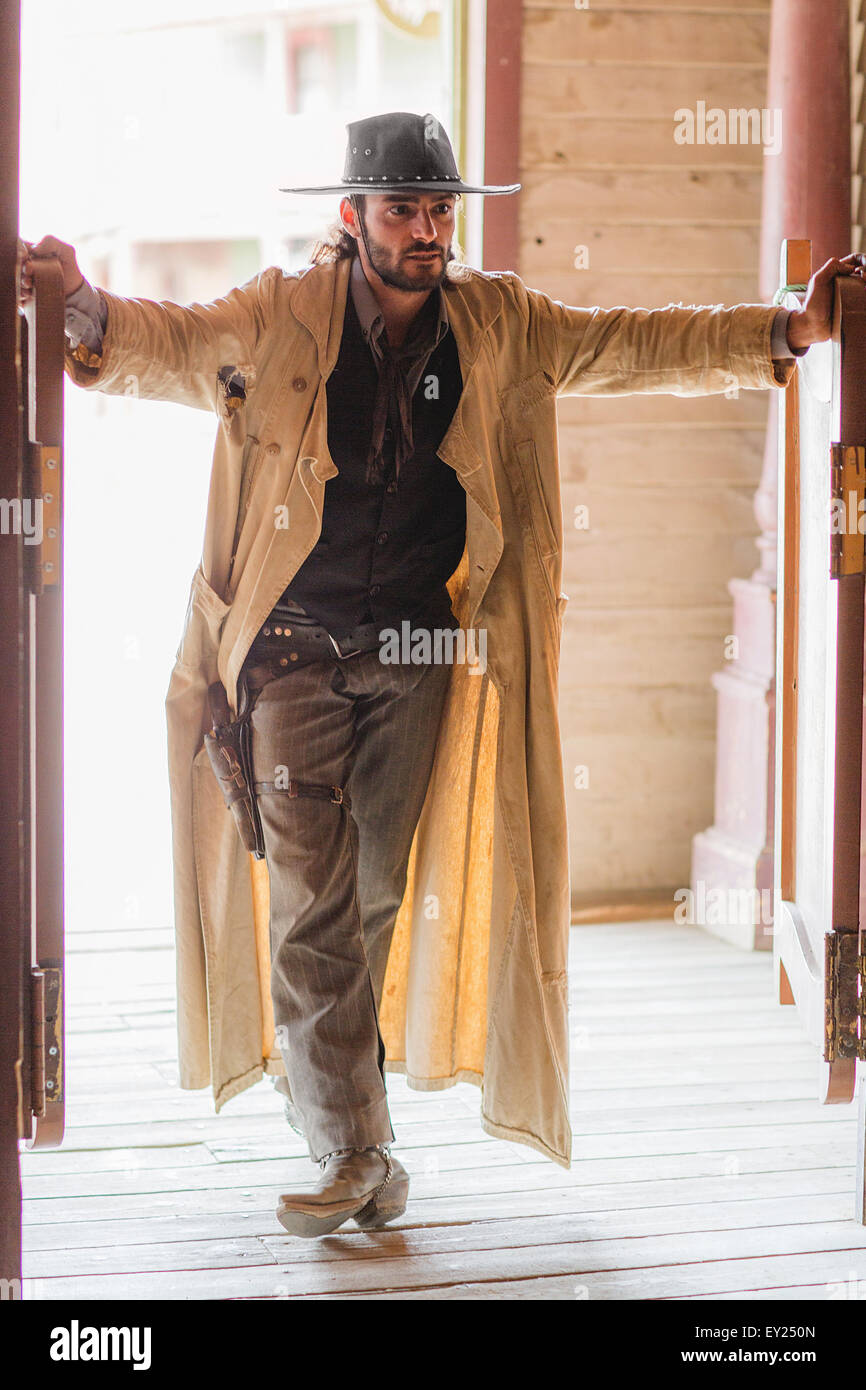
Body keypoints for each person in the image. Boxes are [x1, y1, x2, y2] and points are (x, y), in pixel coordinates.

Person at [19, 110, 866, 1240]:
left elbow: (628, 342)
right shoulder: (278, 315)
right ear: (351, 218)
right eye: (402, 209)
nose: (425, 230)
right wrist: (77, 305)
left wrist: (782, 328)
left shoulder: (498, 323)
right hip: (286, 660)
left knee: (366, 898)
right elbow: (166, 340)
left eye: (438, 209)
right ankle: (351, 1147)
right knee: (310, 909)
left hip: (419, 660)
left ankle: (343, 1125)